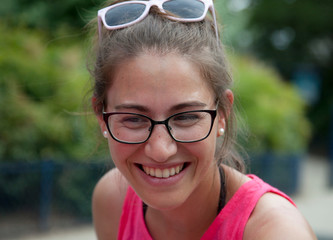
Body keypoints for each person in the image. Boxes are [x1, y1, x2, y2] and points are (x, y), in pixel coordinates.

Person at [90, 0, 316, 239]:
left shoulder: (274, 231)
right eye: (134, 119)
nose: (160, 150)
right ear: (102, 117)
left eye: (186, 117)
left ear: (221, 114)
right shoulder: (112, 201)